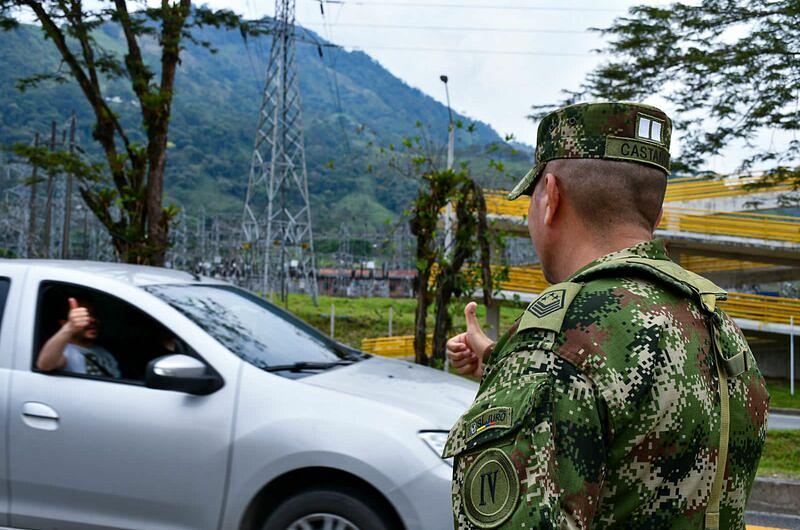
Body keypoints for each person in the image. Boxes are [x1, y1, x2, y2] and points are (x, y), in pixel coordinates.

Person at [444, 102, 768, 529]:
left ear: (550, 198)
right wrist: (499, 358)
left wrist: (526, 364)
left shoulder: (558, 341)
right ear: (653, 210)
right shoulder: (716, 325)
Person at [37, 296, 121, 379]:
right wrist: (69, 327)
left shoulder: (103, 352)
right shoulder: (65, 352)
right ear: (64, 324)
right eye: (83, 316)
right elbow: (45, 365)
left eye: (94, 314)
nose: (93, 320)